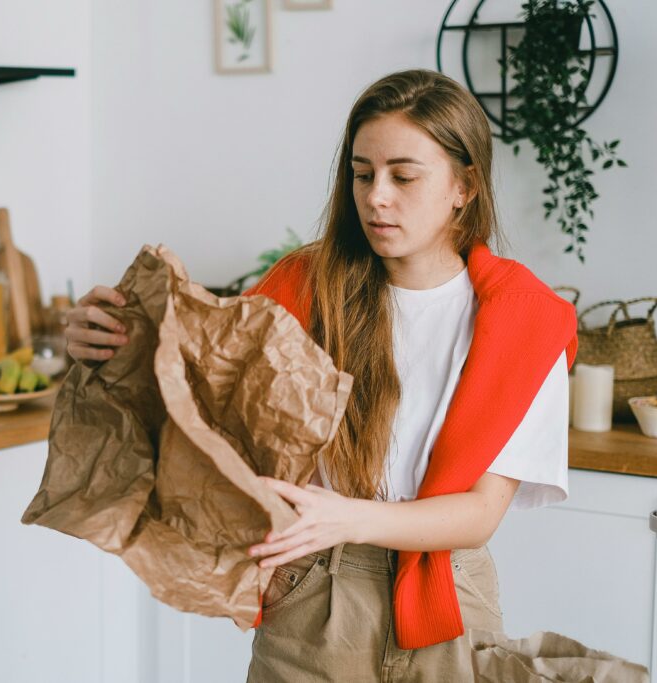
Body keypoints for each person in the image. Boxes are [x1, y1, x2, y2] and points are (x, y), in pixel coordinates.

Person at [63, 69, 576, 682]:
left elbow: (479, 514)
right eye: (363, 174)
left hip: (450, 596)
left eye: (403, 176)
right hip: (313, 586)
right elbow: (197, 402)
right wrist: (110, 346)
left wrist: (348, 517)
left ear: (464, 186)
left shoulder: (525, 321)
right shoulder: (303, 288)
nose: (376, 196)